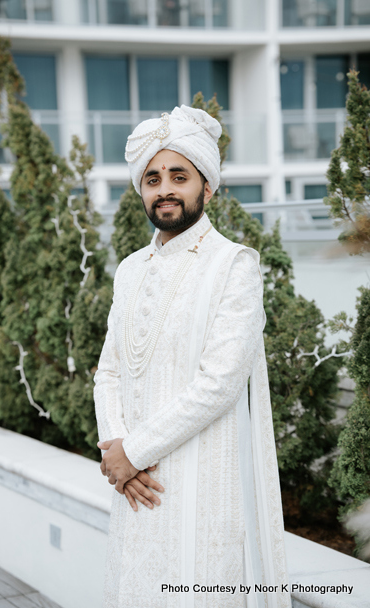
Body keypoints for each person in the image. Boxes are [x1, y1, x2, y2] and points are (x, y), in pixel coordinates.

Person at [93, 105, 291, 608]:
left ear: (208, 187)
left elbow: (220, 383)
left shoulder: (234, 265)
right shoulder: (130, 269)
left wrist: (133, 454)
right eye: (152, 178)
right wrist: (116, 451)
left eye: (179, 176)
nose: (164, 189)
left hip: (203, 482)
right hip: (133, 487)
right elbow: (109, 370)